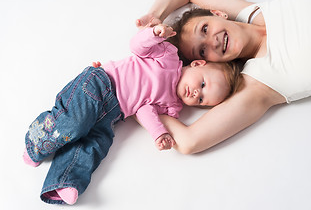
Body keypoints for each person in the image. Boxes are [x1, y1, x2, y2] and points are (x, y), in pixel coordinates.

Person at [23, 23, 240, 205]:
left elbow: (143, 109)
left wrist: (158, 133)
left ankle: (63, 181)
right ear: (197, 63)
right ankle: (35, 145)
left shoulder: (173, 106)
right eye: (202, 83)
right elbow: (137, 48)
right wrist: (153, 34)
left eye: (201, 99)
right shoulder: (169, 57)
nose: (195, 93)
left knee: (96, 144)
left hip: (113, 114)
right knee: (75, 122)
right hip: (100, 84)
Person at [136, 0, 311, 154]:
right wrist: (138, 102)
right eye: (203, 50)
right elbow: (190, 141)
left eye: (205, 29)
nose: (214, 42)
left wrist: (155, 16)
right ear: (207, 61)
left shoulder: (252, 12)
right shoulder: (259, 84)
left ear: (218, 13)